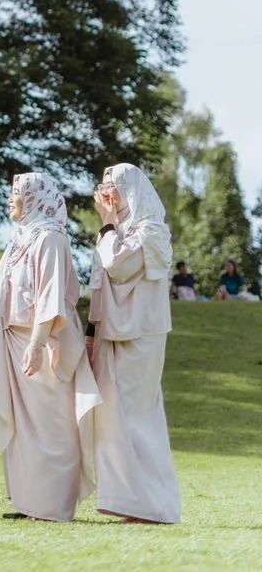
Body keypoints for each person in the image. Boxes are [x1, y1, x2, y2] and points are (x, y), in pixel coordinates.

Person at [0, 171, 100, 521]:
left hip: (44, 341)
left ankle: (53, 506)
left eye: (16, 192)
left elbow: (50, 296)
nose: (10, 198)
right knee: (23, 426)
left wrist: (36, 344)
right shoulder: (21, 238)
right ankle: (29, 502)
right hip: (11, 339)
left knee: (52, 425)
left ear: (34, 197)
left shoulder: (49, 238)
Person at [88, 163, 180, 523]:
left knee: (137, 417)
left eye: (113, 187)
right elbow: (99, 284)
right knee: (113, 418)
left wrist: (107, 223)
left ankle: (155, 505)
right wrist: (91, 332)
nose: (106, 194)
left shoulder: (152, 231)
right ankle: (129, 501)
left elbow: (118, 266)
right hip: (113, 333)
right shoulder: (117, 230)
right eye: (103, 186)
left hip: (141, 335)